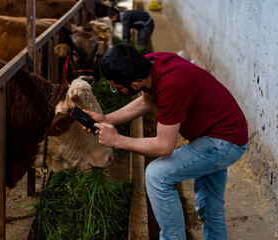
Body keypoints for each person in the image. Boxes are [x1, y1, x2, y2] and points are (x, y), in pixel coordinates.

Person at [84, 44, 248, 240]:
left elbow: (164, 147)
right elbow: (146, 102)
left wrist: (117, 140)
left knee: (157, 175)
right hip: (218, 131)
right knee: (209, 207)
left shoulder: (172, 86)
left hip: (224, 142)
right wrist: (105, 119)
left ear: (135, 85)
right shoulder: (150, 64)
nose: (115, 90)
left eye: (116, 88)